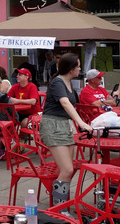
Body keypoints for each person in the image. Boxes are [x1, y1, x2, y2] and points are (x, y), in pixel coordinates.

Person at [39, 53, 92, 205]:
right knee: (67, 169)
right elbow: (65, 103)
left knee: (68, 170)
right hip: (53, 126)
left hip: (65, 126)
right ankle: (59, 209)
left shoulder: (68, 83)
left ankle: (62, 205)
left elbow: (73, 105)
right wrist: (81, 123)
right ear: (71, 69)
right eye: (79, 66)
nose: (80, 69)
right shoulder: (58, 82)